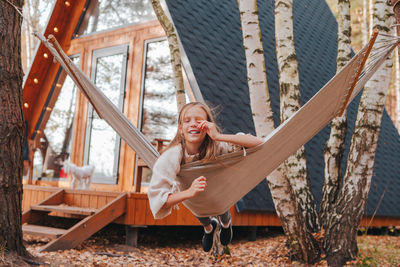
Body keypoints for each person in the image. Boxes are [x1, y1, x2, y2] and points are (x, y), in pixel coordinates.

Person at [147, 102, 263, 252]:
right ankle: (209, 228)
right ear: (180, 129)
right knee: (198, 204)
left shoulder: (218, 146)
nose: (193, 124)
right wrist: (188, 192)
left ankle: (226, 225)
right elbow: (158, 201)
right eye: (187, 120)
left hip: (218, 192)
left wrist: (217, 136)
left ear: (208, 125)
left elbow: (258, 143)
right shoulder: (171, 156)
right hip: (194, 199)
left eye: (198, 120)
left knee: (220, 202)